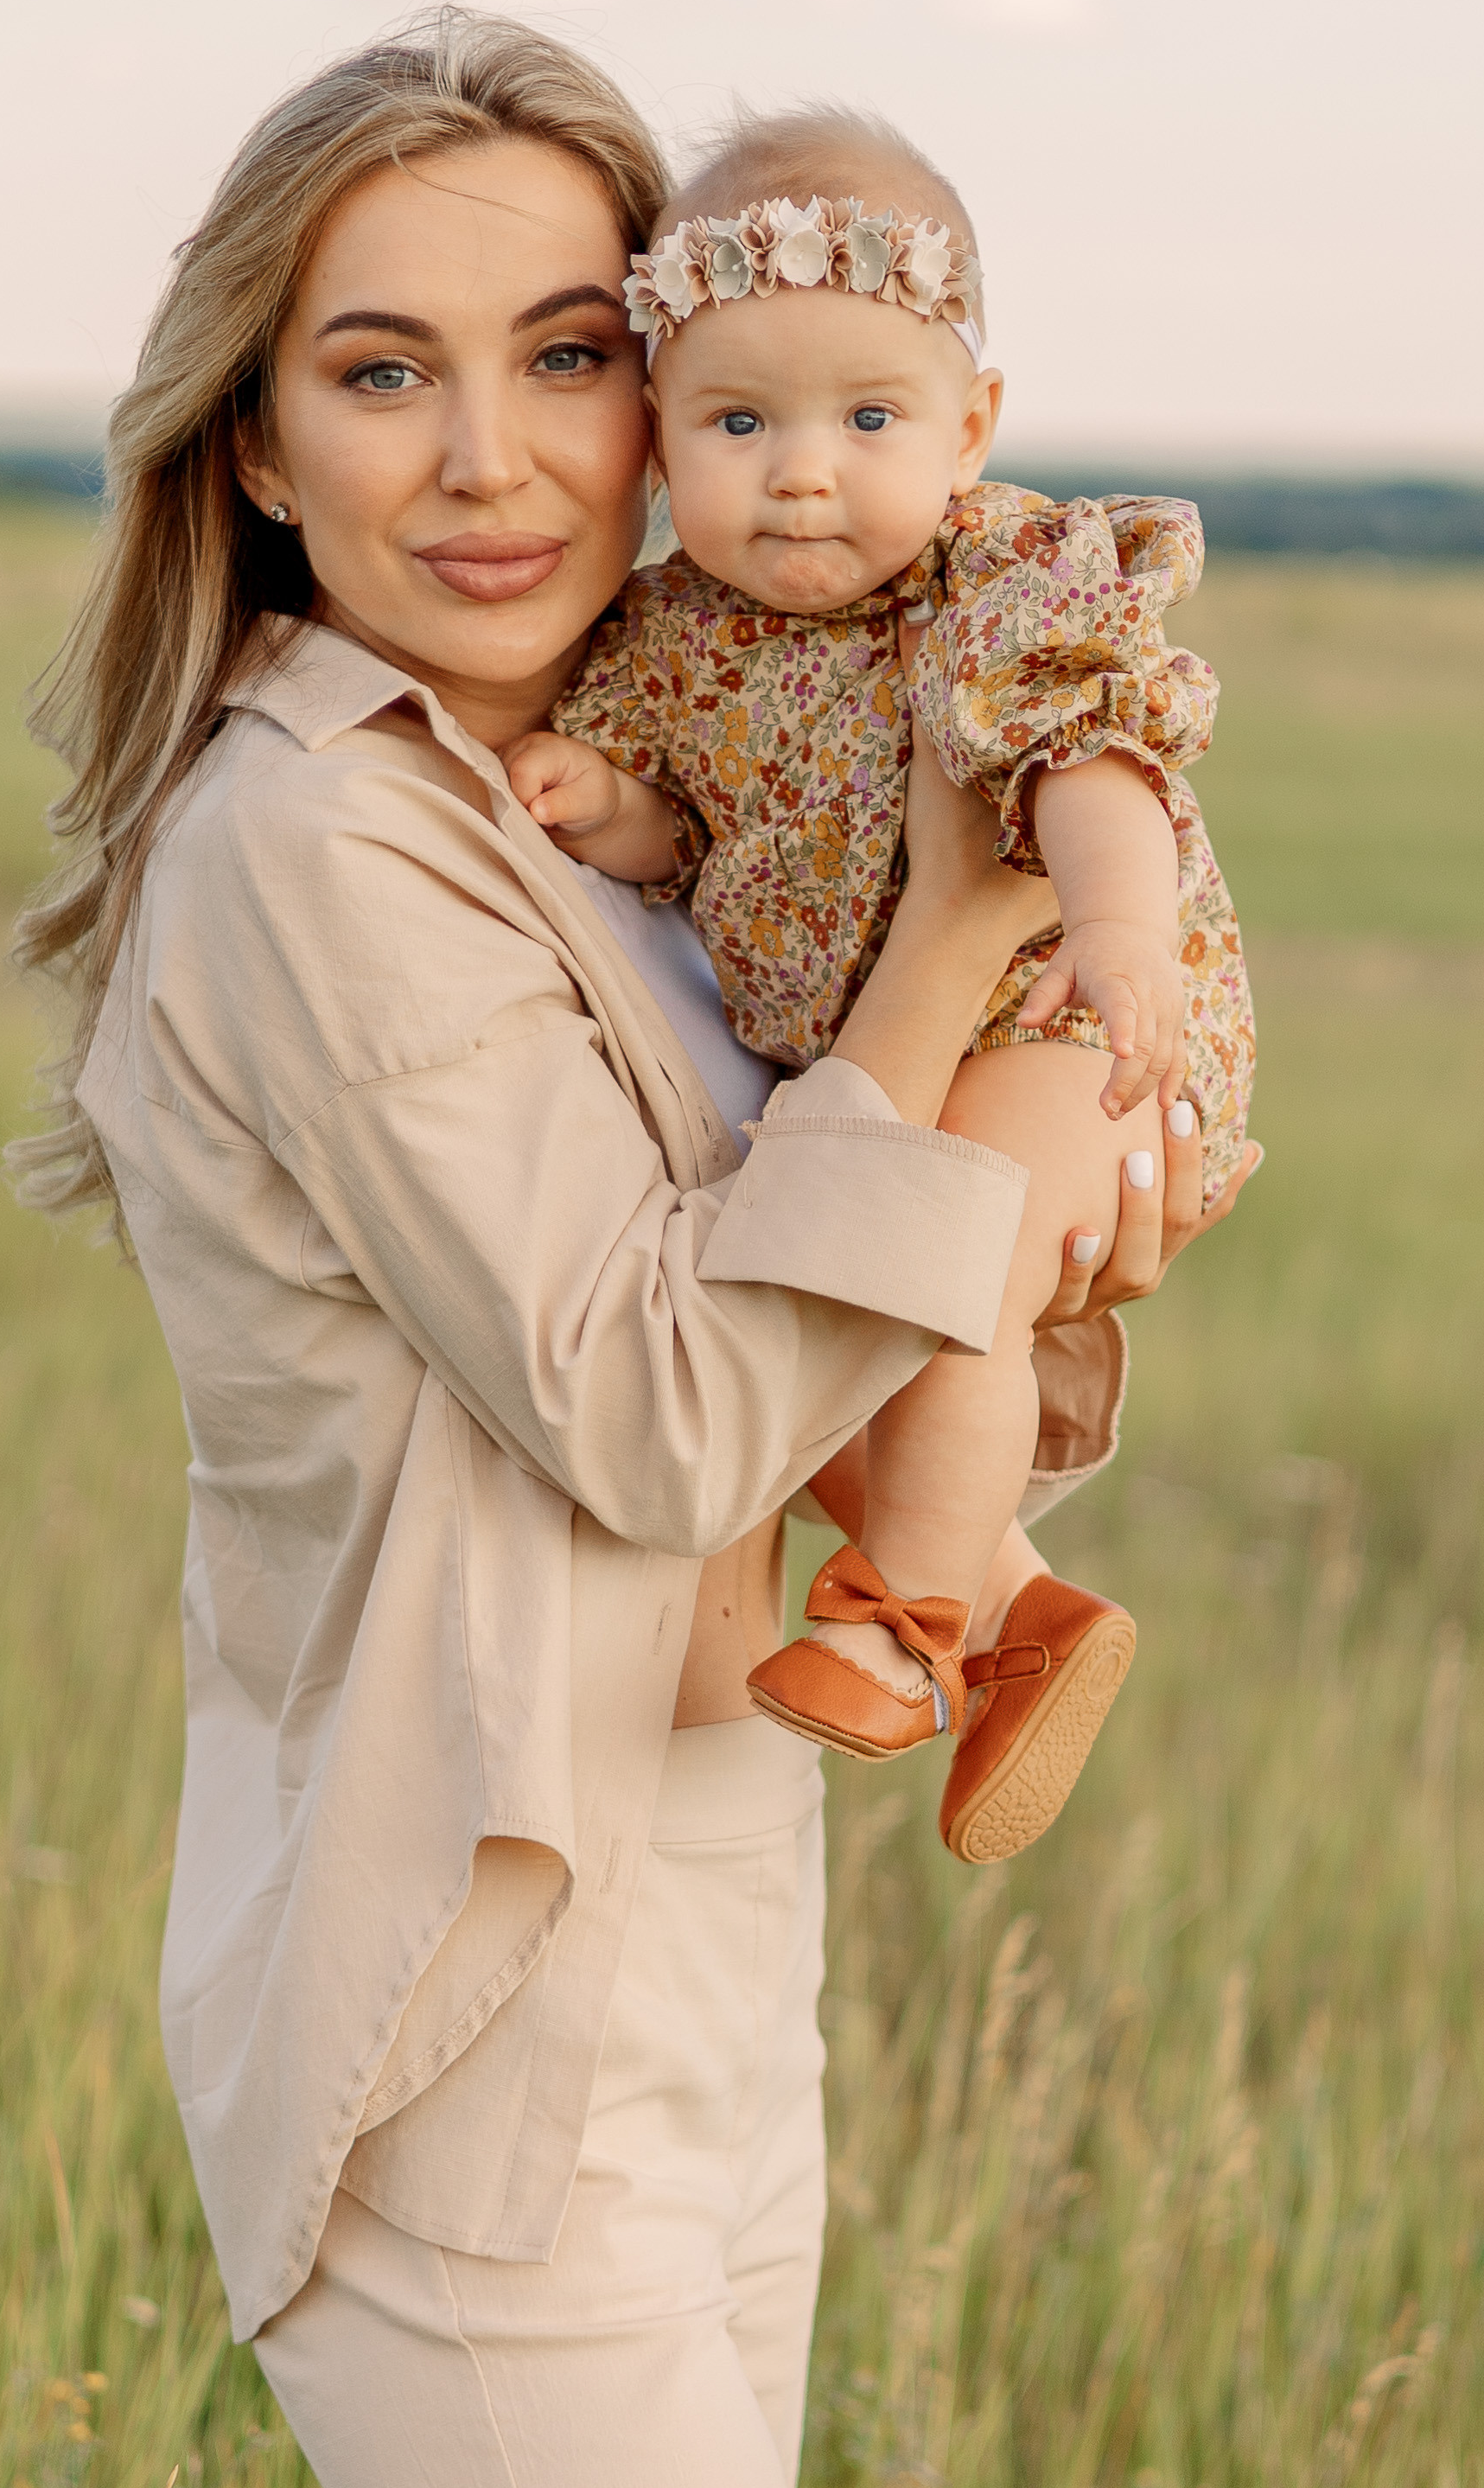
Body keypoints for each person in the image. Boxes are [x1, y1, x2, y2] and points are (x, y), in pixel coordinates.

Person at [12, 12, 1257, 2488]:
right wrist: (959, 953)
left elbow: (813, 1335)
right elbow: (670, 1392)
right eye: (379, 365)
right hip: (485, 2033)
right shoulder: (318, 846)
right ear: (258, 441)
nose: (494, 458)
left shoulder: (617, 805)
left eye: (566, 351)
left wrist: (1078, 1178)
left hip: (700, 1959)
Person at [505, 112, 1255, 1864]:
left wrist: (1121, 925)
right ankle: (1021, 1617)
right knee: (851, 1303)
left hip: (1079, 1025)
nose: (801, 476)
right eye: (738, 423)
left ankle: (905, 1615)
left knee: (962, 1249)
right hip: (892, 1057)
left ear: (970, 425)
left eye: (868, 420)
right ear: (656, 437)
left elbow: (1090, 771)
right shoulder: (671, 637)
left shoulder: (990, 587)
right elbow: (683, 826)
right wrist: (609, 808)